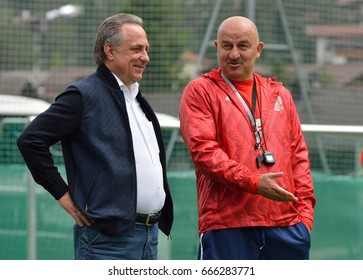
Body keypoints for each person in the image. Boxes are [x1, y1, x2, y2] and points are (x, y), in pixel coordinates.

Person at [17, 13, 173, 260]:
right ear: (110, 51)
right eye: (136, 49)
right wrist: (62, 194)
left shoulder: (135, 97)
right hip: (106, 242)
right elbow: (30, 139)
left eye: (146, 49)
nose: (145, 57)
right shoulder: (83, 95)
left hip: (149, 238)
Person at [179, 16, 315, 260]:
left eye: (242, 45)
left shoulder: (280, 94)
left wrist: (304, 219)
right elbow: (204, 153)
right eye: (227, 46)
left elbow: (299, 157)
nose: (233, 54)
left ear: (258, 49)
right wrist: (254, 182)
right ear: (216, 47)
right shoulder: (200, 91)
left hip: (287, 227)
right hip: (226, 226)